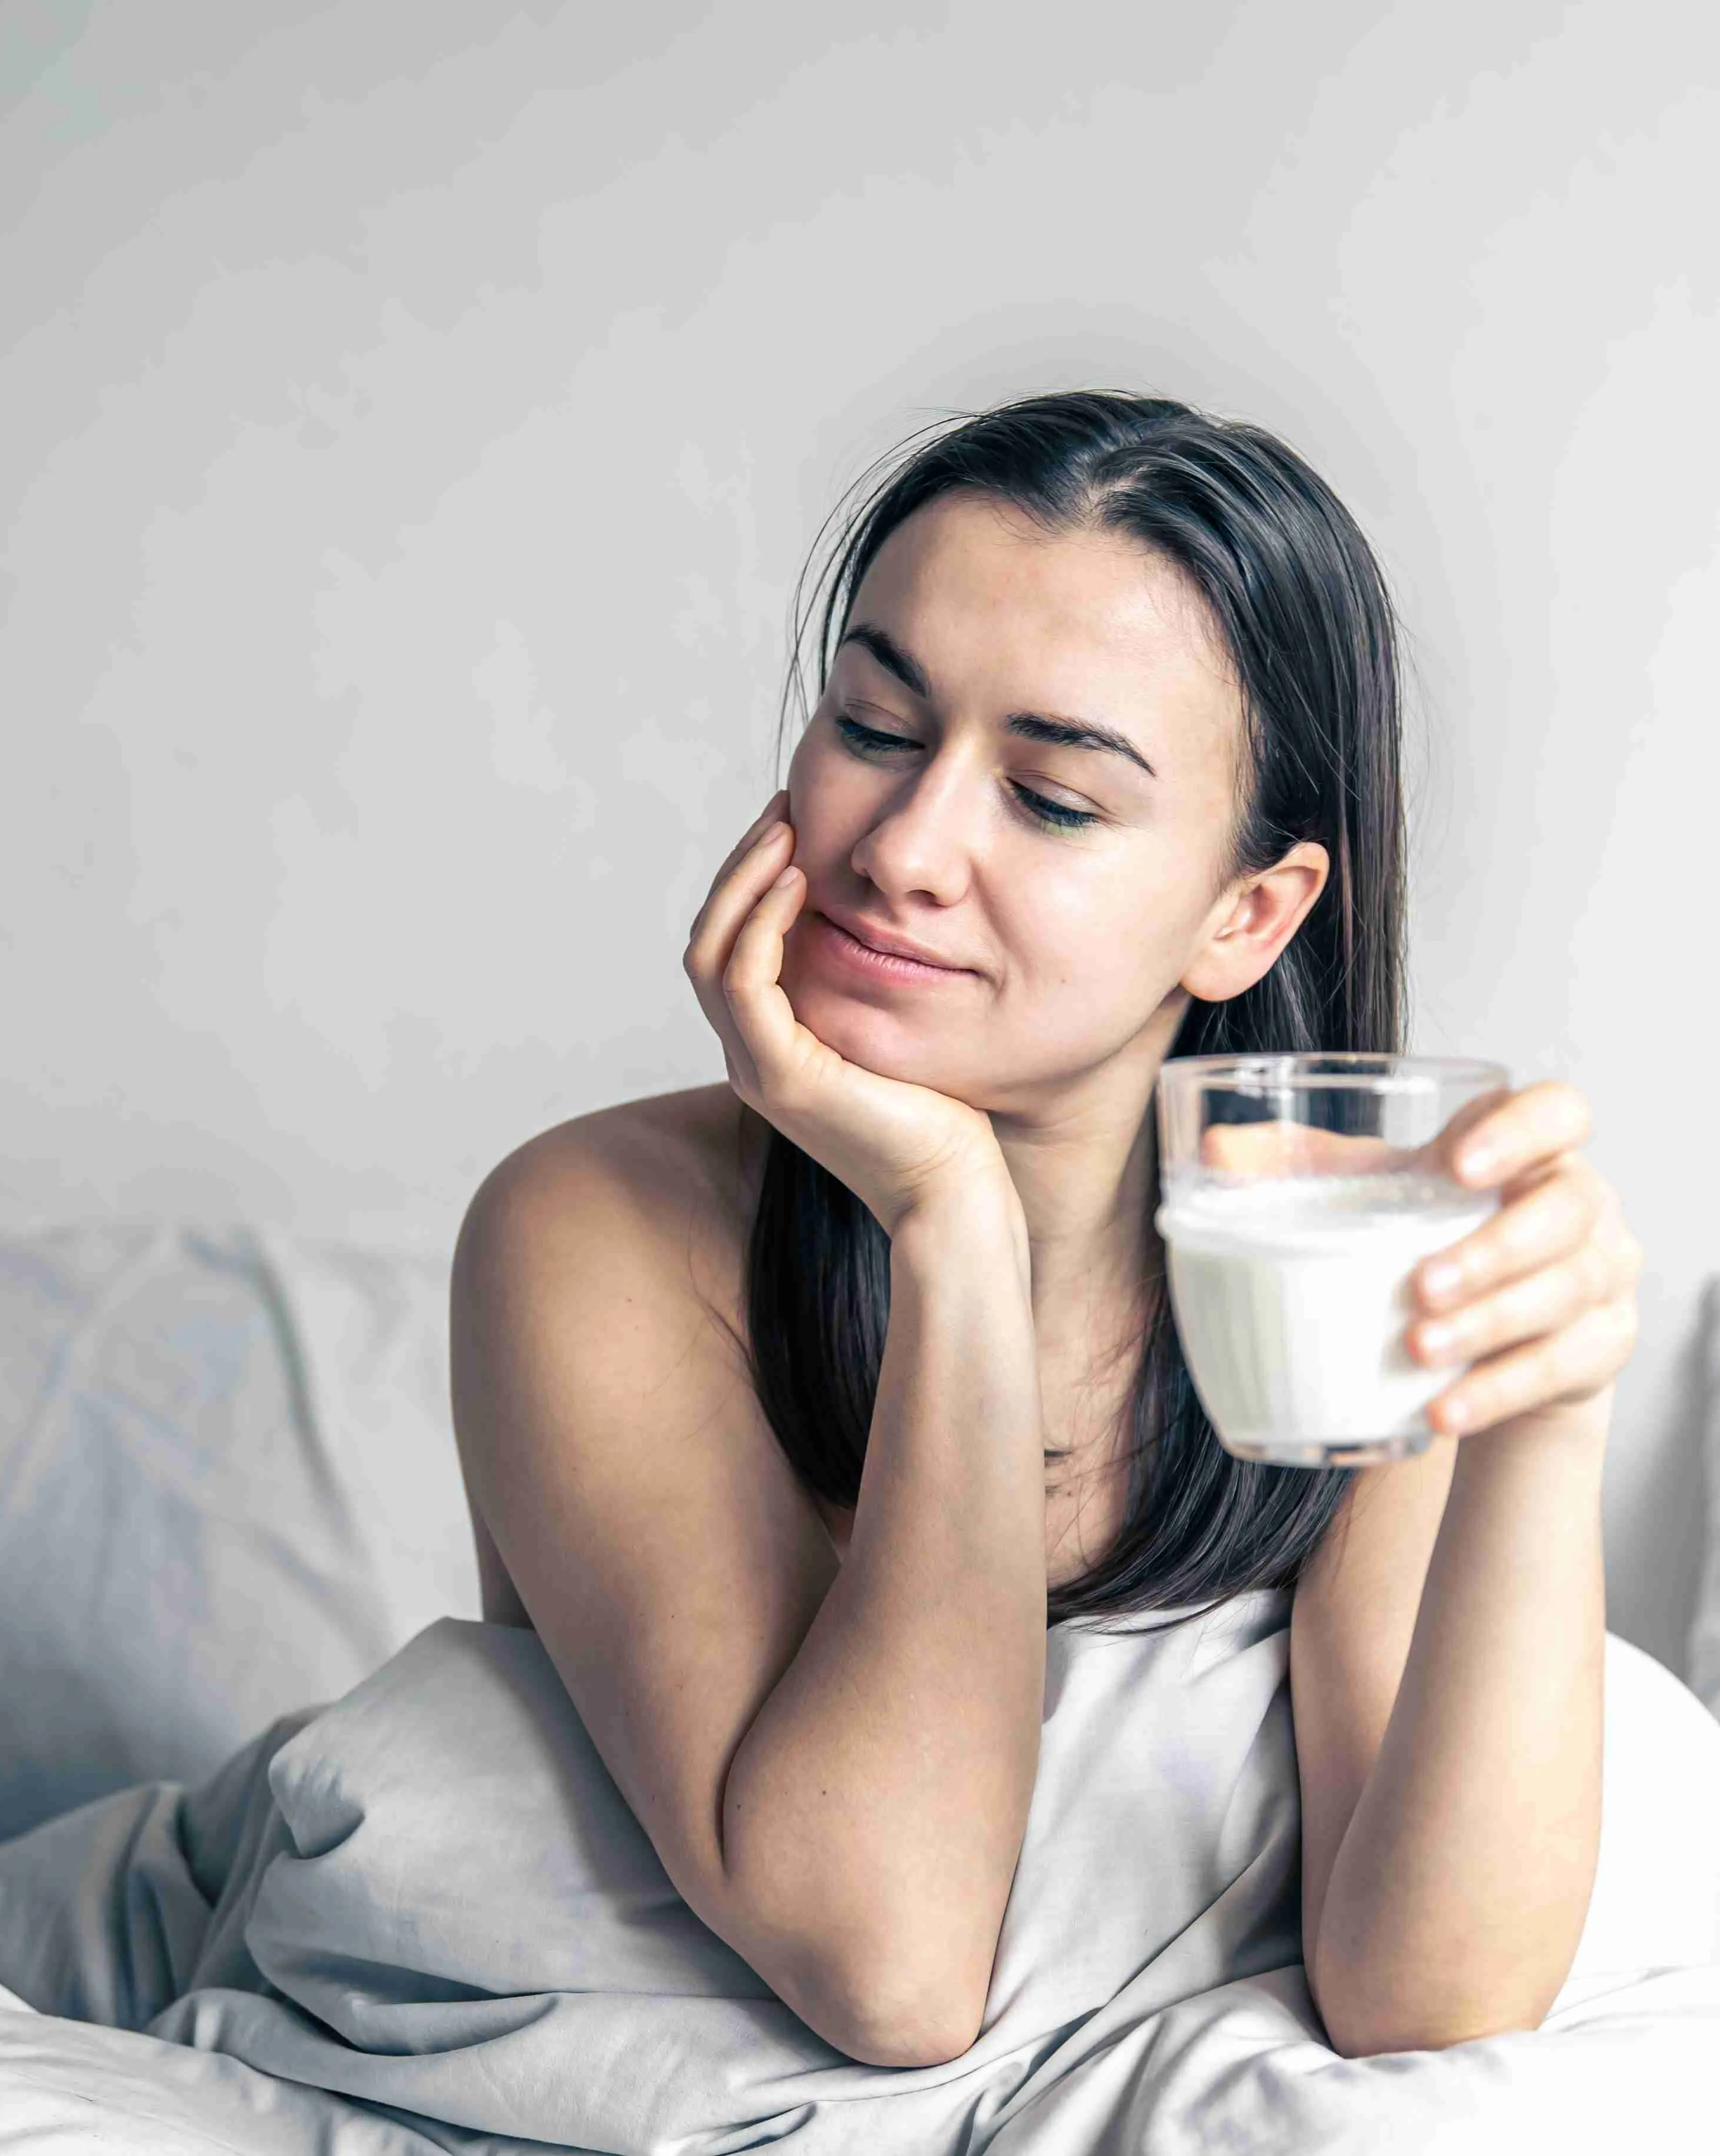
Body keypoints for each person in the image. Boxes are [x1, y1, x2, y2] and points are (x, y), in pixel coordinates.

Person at [448, 388, 1642, 2069]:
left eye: (1055, 800)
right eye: (874, 722)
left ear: (1248, 913)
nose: (908, 849)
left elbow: (1425, 2000)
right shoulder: (592, 1230)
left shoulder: (1327, 1261)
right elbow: (888, 1965)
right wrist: (949, 1222)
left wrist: (1547, 1426)